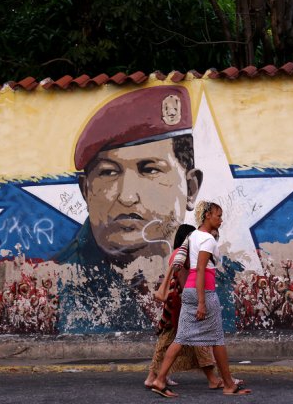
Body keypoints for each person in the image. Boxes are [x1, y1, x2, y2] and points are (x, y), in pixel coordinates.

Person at [54, 86, 204, 333]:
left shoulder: (221, 275)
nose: (127, 196)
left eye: (150, 169)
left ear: (190, 188)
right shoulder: (60, 281)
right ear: (85, 190)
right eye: (109, 172)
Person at [151, 201, 252, 398]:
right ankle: (229, 385)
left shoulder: (193, 236)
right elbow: (200, 271)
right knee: (217, 339)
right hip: (203, 292)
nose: (220, 220)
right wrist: (202, 302)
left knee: (181, 338)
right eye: (218, 215)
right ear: (207, 215)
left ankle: (160, 379)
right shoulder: (207, 240)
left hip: (189, 291)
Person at [144, 224, 222, 390]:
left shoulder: (178, 254)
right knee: (198, 341)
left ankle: (155, 376)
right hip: (183, 302)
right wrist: (198, 299)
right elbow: (186, 281)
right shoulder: (185, 255)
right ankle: (214, 379)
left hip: (177, 303)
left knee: (169, 340)